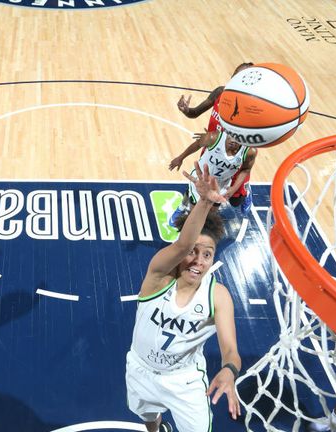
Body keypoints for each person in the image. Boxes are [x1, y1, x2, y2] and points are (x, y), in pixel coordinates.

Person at [126, 163, 241, 432]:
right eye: (194, 252)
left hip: (184, 381)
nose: (198, 261)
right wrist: (203, 202)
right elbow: (182, 245)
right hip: (140, 369)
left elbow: (231, 350)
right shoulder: (158, 277)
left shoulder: (218, 296)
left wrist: (229, 371)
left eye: (207, 254)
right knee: (147, 415)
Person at [175, 62, 255, 211]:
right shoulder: (220, 93)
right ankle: (182, 208)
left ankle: (246, 191)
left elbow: (255, 140)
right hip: (213, 149)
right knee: (198, 183)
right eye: (236, 77)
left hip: (236, 156)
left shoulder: (253, 108)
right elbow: (194, 113)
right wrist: (186, 110)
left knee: (236, 201)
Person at [168, 129, 257, 224]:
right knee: (194, 211)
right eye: (231, 135)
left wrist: (234, 188)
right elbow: (197, 144)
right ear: (227, 132)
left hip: (221, 184)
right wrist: (180, 158)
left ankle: (203, 226)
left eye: (238, 138)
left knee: (212, 211)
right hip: (201, 178)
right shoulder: (213, 138)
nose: (233, 140)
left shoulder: (249, 152)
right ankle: (181, 207)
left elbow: (246, 170)